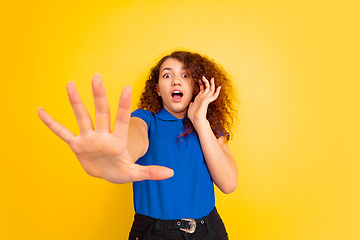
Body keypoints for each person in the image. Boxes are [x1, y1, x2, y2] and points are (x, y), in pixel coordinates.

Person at [38, 50, 238, 240]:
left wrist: (200, 120)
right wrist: (116, 152)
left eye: (185, 76)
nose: (176, 80)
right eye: (167, 76)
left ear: (196, 85)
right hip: (155, 233)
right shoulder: (145, 118)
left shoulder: (209, 126)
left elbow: (228, 184)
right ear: (158, 89)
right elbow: (134, 136)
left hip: (209, 231)